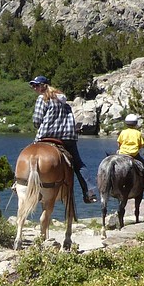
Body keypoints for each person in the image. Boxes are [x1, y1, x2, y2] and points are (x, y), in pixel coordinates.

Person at [30, 75, 96, 203]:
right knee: (78, 164)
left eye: (36, 85)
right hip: (67, 138)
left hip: (47, 136)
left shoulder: (42, 98)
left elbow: (37, 121)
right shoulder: (64, 101)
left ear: (44, 86)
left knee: (30, 155)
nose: (34, 88)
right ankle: (89, 192)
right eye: (33, 85)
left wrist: (40, 125)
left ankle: (23, 186)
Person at [117, 113, 144, 185]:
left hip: (122, 153)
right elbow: (141, 145)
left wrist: (121, 148)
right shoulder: (138, 133)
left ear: (126, 123)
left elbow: (119, 143)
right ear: (135, 123)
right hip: (133, 154)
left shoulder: (123, 132)